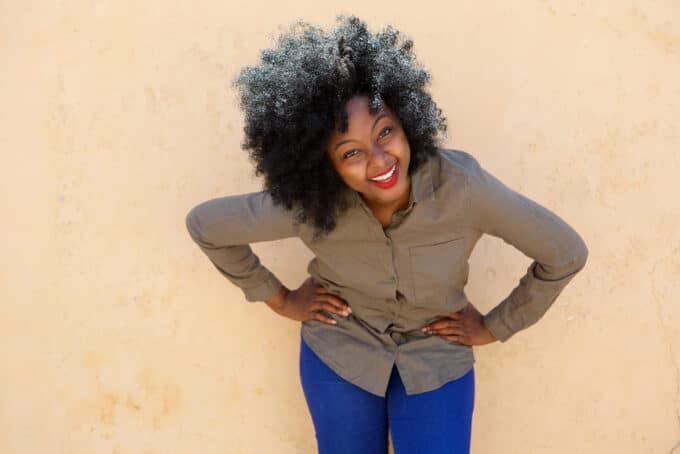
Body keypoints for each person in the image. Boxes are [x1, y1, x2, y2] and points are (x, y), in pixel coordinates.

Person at [185, 14, 588, 454]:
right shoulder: (309, 204)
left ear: (406, 121)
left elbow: (565, 252)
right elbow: (206, 226)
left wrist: (494, 326)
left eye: (386, 132)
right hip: (341, 350)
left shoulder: (463, 187)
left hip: (437, 355)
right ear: (325, 166)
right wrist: (281, 299)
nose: (379, 159)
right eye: (351, 152)